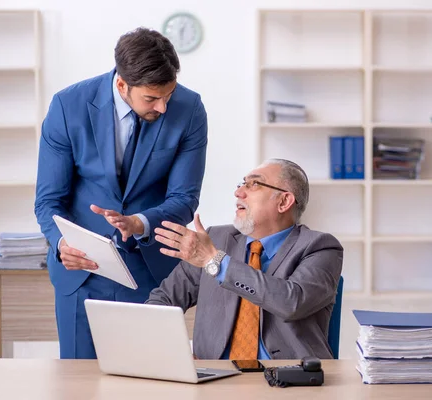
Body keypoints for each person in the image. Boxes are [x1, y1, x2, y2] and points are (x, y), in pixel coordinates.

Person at [34, 27, 208, 359]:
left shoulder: (189, 109)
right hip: (80, 272)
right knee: (79, 384)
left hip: (150, 272)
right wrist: (61, 244)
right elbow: (48, 200)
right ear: (121, 85)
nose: (163, 107)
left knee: (151, 380)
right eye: (152, 98)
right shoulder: (68, 106)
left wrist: (140, 223)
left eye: (168, 95)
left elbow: (185, 197)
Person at [146, 159, 343, 360]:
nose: (238, 193)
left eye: (254, 184)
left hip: (290, 379)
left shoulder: (321, 247)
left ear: (284, 201)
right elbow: (164, 299)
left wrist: (215, 261)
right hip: (215, 376)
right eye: (241, 184)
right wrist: (174, 349)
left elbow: (292, 302)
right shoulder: (215, 239)